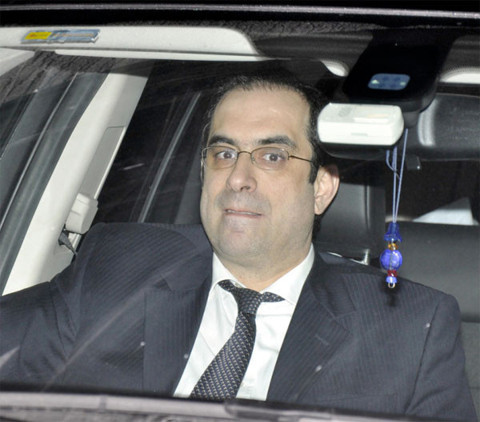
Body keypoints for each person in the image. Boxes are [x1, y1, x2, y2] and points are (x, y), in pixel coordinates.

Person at [0, 72, 476, 421]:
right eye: (224, 153)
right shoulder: (119, 264)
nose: (238, 178)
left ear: (321, 189)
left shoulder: (408, 328)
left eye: (272, 156)